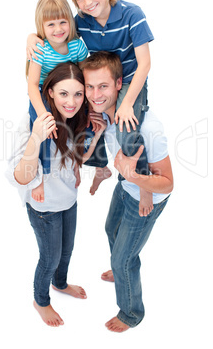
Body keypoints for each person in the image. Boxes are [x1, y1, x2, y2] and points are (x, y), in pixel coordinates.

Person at [27, 0, 154, 204]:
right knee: (89, 120)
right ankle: (99, 166)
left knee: (126, 130)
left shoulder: (132, 14)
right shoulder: (82, 21)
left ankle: (143, 180)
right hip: (97, 83)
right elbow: (55, 30)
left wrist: (126, 103)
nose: (86, 2)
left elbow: (145, 64)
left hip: (128, 80)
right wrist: (31, 37)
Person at [6, 62, 107, 327]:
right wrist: (35, 140)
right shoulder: (32, 123)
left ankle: (60, 284)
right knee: (49, 258)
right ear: (49, 92)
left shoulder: (75, 119)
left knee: (67, 251)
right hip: (44, 207)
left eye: (77, 94)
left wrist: (97, 136)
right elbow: (18, 177)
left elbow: (77, 158)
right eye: (63, 93)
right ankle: (41, 300)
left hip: (68, 199)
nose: (72, 101)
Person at [80, 51, 173, 332]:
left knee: (124, 259)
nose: (96, 94)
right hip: (126, 186)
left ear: (119, 84)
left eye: (104, 86)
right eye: (90, 86)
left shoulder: (149, 127)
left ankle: (131, 312)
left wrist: (136, 178)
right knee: (111, 230)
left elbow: (168, 183)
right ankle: (122, 271)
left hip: (148, 198)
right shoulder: (106, 116)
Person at [27, 0, 88, 203]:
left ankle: (80, 164)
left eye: (63, 22)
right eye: (50, 24)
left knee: (88, 120)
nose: (58, 29)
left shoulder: (77, 46)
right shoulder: (41, 49)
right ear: (42, 27)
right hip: (44, 93)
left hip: (68, 93)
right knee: (40, 130)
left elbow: (82, 77)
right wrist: (44, 115)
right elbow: (32, 85)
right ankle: (39, 177)